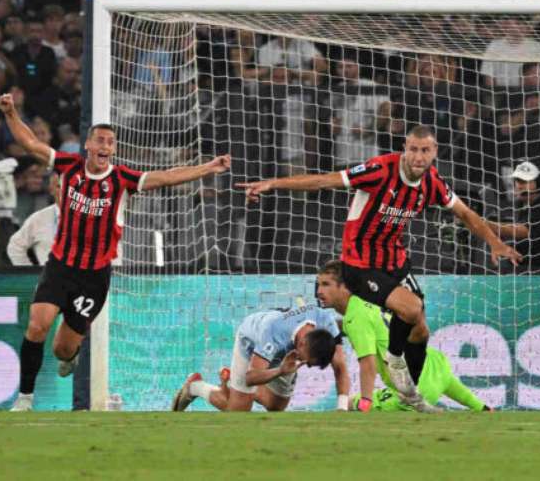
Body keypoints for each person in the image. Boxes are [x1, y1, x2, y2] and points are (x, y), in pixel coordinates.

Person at [238, 125, 521, 411]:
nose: (418, 157)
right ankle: (396, 360)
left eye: (425, 150)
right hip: (359, 263)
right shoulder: (379, 170)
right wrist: (273, 184)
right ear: (404, 148)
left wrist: (495, 242)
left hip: (394, 260)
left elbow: (465, 213)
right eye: (413, 149)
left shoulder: (432, 182)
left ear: (434, 152)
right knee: (410, 309)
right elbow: (324, 180)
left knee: (421, 329)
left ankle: (411, 393)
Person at [0, 93, 231, 412]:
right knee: (37, 325)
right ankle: (25, 398)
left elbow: (166, 177)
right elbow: (32, 144)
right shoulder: (69, 168)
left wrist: (207, 168)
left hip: (94, 277)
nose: (106, 146)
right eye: (100, 141)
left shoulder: (122, 180)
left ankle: (72, 352)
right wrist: (11, 113)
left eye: (111, 142)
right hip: (61, 266)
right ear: (89, 146)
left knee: (63, 350)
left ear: (113, 149)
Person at [316, 260, 490, 413]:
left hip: (411, 390)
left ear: (345, 287)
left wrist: (365, 402)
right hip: (437, 366)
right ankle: (484, 409)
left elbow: (368, 364)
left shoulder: (355, 316)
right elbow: (446, 380)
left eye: (326, 284)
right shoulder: (371, 300)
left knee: (351, 403)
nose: (319, 291)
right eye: (319, 285)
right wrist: (478, 406)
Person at [171, 303, 349, 412]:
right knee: (238, 411)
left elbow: (340, 365)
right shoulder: (274, 332)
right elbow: (251, 377)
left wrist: (342, 407)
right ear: (302, 344)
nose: (307, 366)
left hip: (282, 349)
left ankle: (232, 384)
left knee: (276, 407)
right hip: (251, 341)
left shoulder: (325, 320)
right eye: (307, 361)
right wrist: (280, 370)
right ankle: (195, 386)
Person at [486, 161, 540, 273]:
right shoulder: (522, 204)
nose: (518, 185)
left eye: (524, 181)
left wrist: (481, 223)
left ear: (539, 183)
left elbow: (521, 231)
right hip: (522, 264)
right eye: (517, 181)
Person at [7, 174, 59, 265]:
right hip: (50, 277)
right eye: (59, 186)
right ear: (51, 189)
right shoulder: (40, 218)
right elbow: (15, 246)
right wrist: (30, 275)